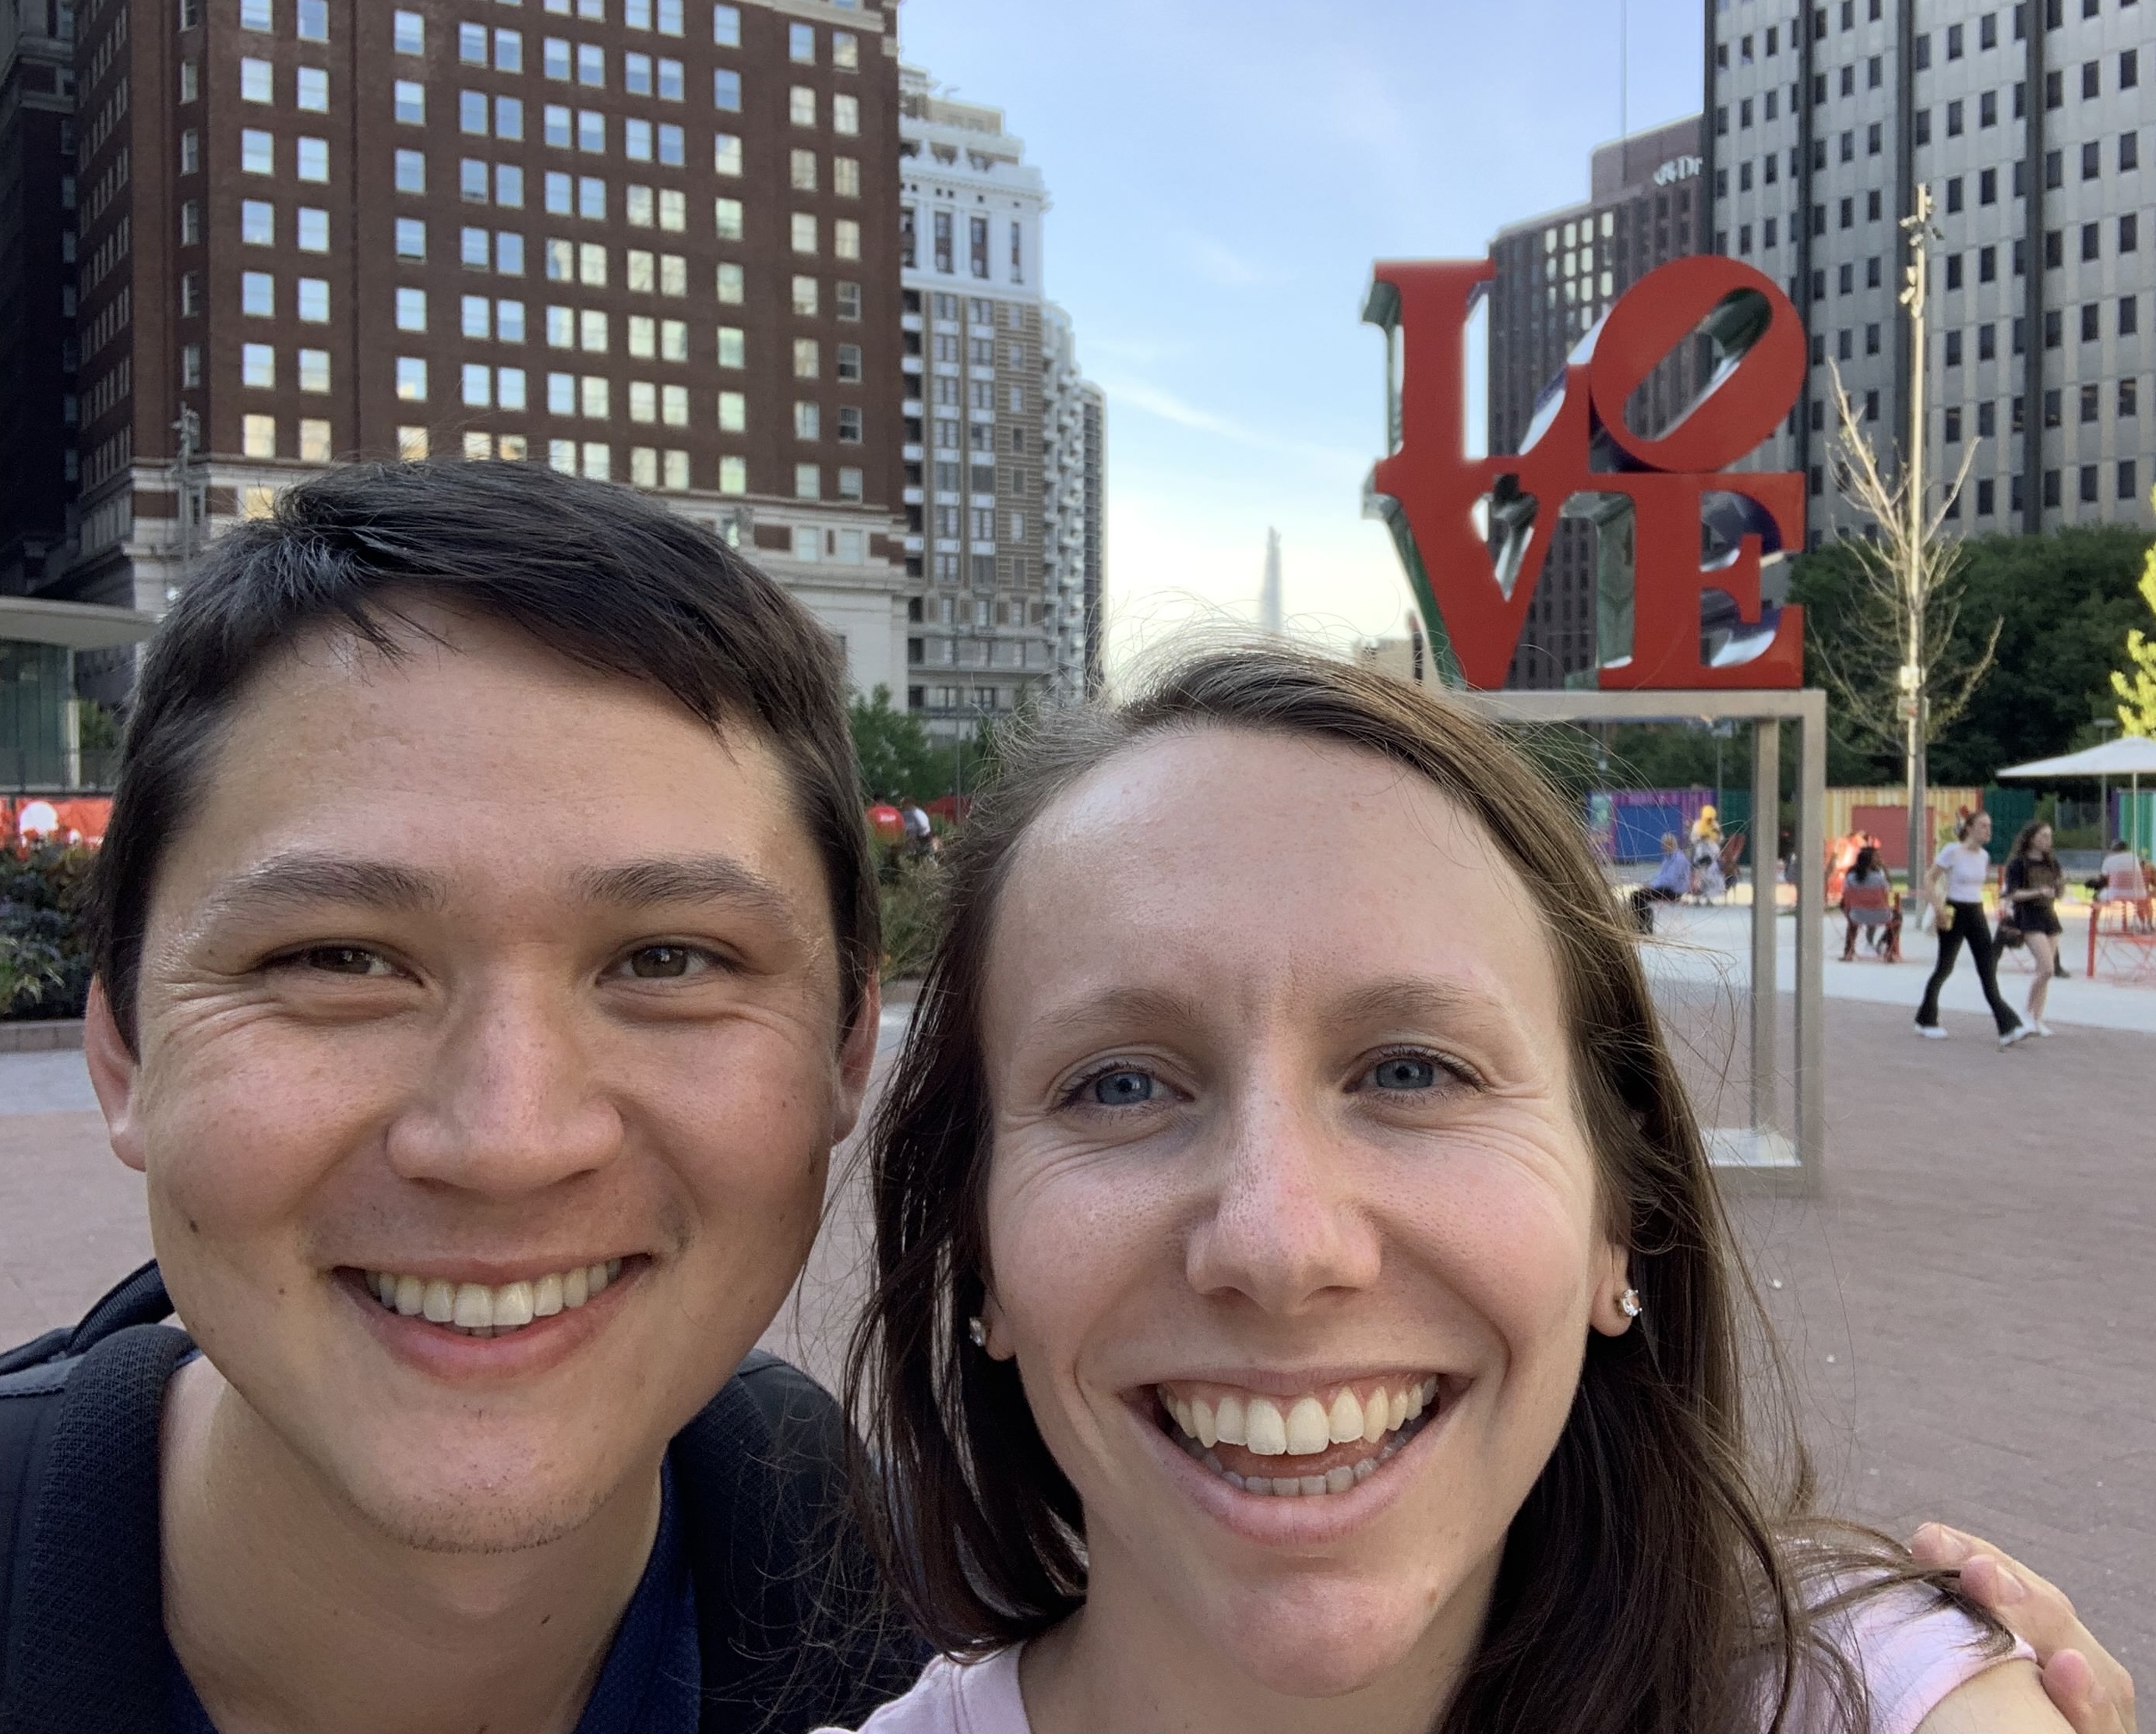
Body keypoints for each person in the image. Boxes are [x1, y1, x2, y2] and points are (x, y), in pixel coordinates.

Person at [827, 646, 2123, 1734]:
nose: (1279, 1243)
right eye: (1118, 1086)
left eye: (1411, 1068)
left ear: (1621, 1210)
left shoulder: (1873, 1699)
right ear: (978, 1243)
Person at [0, 464, 924, 1732]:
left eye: (666, 961)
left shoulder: (972, 1647)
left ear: (846, 1051)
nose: (507, 1140)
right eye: (336, 959)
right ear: (124, 1058)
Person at [1915, 812, 2029, 1047]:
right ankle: (1926, 1019)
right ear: (1969, 828)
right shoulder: (1952, 851)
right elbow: (1929, 879)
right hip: (1954, 911)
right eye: (1983, 826)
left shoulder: (1984, 855)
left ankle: (2008, 1025)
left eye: (1990, 826)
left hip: (1976, 912)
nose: (1988, 830)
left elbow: (1977, 887)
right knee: (1945, 967)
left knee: (1987, 967)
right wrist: (1938, 908)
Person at [2002, 822, 2066, 1036]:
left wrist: (2060, 887)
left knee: (2044, 973)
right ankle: (2026, 1012)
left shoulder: (2052, 863)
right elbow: (2012, 894)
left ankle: (2037, 1018)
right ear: (2031, 838)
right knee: (2047, 968)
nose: (2048, 840)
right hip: (2029, 917)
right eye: (2043, 836)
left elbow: (2058, 892)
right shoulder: (2018, 864)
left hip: (2049, 917)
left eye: (2050, 836)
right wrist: (2038, 892)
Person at [1840, 843, 1901, 962]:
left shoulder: (1850, 877)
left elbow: (1846, 899)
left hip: (1856, 916)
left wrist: (1848, 913)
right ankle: (1889, 951)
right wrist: (1884, 869)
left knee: (1852, 923)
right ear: (1872, 862)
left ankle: (1848, 952)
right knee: (1898, 918)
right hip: (1881, 916)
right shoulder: (1879, 878)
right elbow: (1889, 890)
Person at [1629, 831, 1692, 932]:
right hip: (1665, 888)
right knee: (1637, 894)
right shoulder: (1668, 858)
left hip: (1673, 891)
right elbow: (1661, 876)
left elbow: (1670, 881)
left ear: (1670, 844)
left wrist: (1652, 886)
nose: (1662, 848)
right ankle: (1642, 923)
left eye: (1664, 845)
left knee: (1637, 896)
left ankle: (1645, 926)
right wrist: (1650, 884)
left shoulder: (1678, 859)